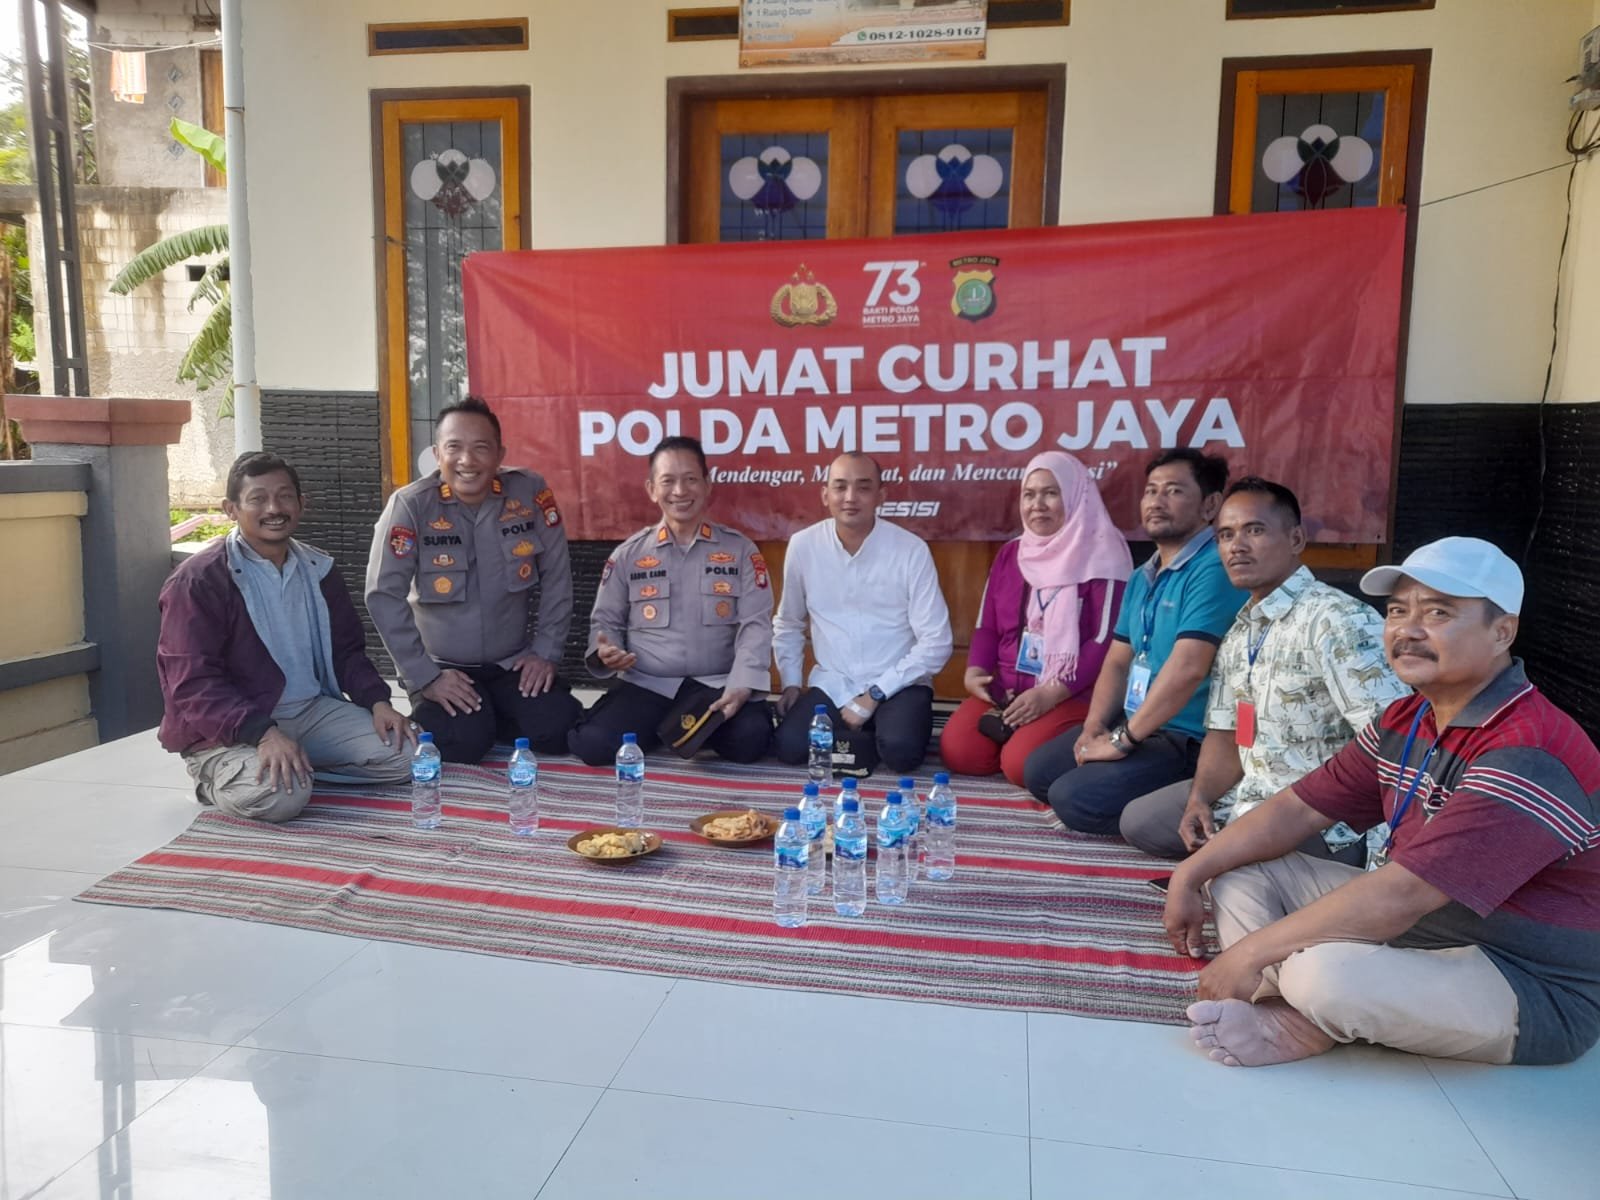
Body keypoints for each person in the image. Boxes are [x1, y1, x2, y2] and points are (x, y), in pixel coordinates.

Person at [1167, 537, 1600, 1068]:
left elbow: (1404, 894)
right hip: (1424, 932)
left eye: (1438, 613)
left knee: (1322, 974)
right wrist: (1189, 874)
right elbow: (1297, 808)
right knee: (1242, 872)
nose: (1407, 630)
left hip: (1528, 983)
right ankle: (1298, 1007)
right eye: (1397, 611)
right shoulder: (1408, 717)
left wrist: (1251, 952)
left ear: (1501, 632)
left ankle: (1299, 1012)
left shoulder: (1529, 748)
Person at [1119, 477, 1409, 862]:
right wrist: (1199, 800)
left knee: (1235, 868)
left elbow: (1393, 743)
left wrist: (1289, 813)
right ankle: (1242, 856)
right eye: (1225, 535)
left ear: (1296, 539)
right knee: (1140, 821)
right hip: (1253, 795)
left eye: (1254, 530)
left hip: (1325, 817)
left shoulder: (1339, 619)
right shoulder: (1241, 631)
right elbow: (1226, 733)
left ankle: (1260, 865)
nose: (1236, 546)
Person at [156, 452, 414, 822]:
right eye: (258, 499)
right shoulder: (198, 581)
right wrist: (263, 734)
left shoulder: (318, 568)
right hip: (233, 729)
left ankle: (296, 767)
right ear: (231, 509)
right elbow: (193, 682)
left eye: (284, 496)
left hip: (311, 712)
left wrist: (378, 702)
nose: (274, 508)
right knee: (282, 799)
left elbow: (347, 652)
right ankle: (214, 777)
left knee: (412, 755)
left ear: (301, 504)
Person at [1023, 449, 1248, 834]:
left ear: (1210, 505)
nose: (1156, 502)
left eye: (1173, 491)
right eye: (1151, 491)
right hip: (1136, 722)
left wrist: (1121, 742)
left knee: (1073, 799)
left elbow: (1188, 668)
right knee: (1039, 772)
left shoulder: (1214, 567)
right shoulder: (1144, 573)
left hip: (1184, 737)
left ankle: (1194, 798)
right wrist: (1095, 726)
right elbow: (1117, 660)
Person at [366, 396, 581, 763]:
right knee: (463, 744)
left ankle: (493, 713)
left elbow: (557, 575)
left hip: (511, 664)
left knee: (560, 727)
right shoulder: (412, 505)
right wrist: (426, 677)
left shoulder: (528, 492)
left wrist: (546, 653)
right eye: (454, 447)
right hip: (444, 668)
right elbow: (383, 595)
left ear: (499, 454)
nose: (467, 460)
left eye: (481, 448)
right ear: (437, 454)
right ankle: (477, 717)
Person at [567, 436, 774, 765]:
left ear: (707, 485)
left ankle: (670, 730)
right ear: (652, 489)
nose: (680, 491)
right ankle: (671, 729)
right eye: (668, 481)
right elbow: (606, 622)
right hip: (649, 686)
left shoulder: (741, 550)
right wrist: (607, 652)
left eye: (690, 479)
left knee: (752, 741)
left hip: (717, 685)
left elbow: (756, 626)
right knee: (592, 744)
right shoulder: (629, 555)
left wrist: (742, 685)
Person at [939, 451, 1131, 787]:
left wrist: (1050, 694)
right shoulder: (1012, 553)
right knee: (960, 753)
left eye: (1051, 493)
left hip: (1071, 692)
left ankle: (1054, 736)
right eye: (1029, 495)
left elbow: (1104, 642)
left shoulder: (1104, 553)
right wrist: (975, 673)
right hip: (1008, 688)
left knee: (1020, 765)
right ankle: (1022, 734)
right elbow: (987, 625)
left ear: (1075, 496)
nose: (1037, 505)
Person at [772, 452, 953, 774]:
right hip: (835, 682)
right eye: (840, 487)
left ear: (881, 496)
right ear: (825, 495)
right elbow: (788, 623)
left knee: (901, 752)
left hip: (897, 681)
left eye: (863, 487)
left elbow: (936, 642)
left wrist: (874, 694)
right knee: (789, 746)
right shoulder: (803, 546)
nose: (850, 497)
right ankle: (861, 736)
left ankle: (869, 732)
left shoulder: (911, 550)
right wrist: (790, 683)